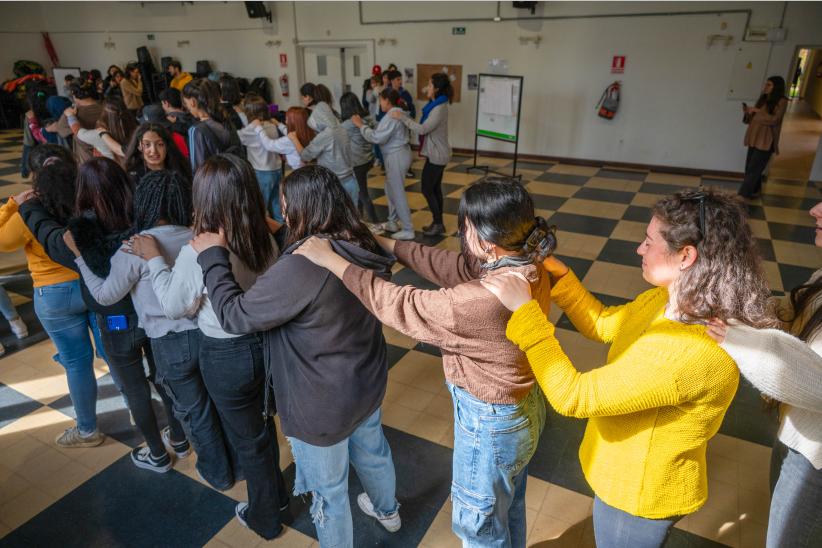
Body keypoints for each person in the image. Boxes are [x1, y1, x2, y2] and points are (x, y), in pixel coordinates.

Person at [482, 188, 775, 548]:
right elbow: (604, 324)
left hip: (640, 494)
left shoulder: (687, 350)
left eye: (649, 242)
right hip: (630, 475)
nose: (640, 249)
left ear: (685, 255)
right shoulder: (671, 299)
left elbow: (573, 396)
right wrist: (560, 278)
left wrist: (525, 311)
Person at [296, 176, 554, 547]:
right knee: (506, 508)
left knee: (478, 527)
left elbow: (399, 304)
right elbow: (451, 264)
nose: (460, 235)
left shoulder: (475, 303)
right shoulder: (525, 262)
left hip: (490, 426)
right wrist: (384, 243)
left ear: (486, 241)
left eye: (464, 227)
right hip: (523, 412)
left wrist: (331, 260)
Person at [195, 165, 401, 546]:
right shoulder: (364, 243)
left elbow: (235, 315)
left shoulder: (300, 268)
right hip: (366, 380)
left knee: (330, 493)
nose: (284, 214)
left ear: (300, 211)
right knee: (373, 451)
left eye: (287, 208)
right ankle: (387, 511)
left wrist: (211, 257)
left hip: (321, 403)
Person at [127, 154, 287, 540]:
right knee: (262, 427)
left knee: (249, 438)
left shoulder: (197, 251)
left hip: (225, 354)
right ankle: (277, 496)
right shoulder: (263, 235)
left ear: (204, 198)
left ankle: (265, 517)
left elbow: (174, 305)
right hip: (265, 345)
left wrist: (154, 262)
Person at [65, 167, 236, 489]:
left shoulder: (136, 247)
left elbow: (104, 296)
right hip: (208, 333)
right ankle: (232, 463)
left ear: (143, 201)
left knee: (193, 410)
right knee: (216, 403)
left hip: (169, 344)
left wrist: (79, 257)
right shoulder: (197, 236)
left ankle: (217, 473)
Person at [18, 157, 189, 472]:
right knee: (162, 377)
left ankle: (157, 455)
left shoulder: (80, 233)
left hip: (114, 322)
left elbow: (48, 237)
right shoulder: (143, 220)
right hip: (150, 315)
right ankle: (179, 437)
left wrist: (30, 207)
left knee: (134, 386)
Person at [705, 200, 822, 548]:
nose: (814, 209)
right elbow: (791, 313)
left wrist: (736, 337)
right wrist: (735, 305)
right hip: (796, 438)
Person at [0, 147, 108, 444]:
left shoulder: (30, 210)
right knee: (114, 356)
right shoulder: (88, 197)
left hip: (53, 295)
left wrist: (12, 204)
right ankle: (145, 415)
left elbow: (3, 242)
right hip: (95, 287)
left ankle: (87, 430)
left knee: (76, 364)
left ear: (36, 176)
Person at [392, 72, 452, 236]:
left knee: (427, 189)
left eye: (430, 85)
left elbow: (423, 128)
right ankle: (438, 223)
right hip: (437, 153)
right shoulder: (436, 104)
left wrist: (402, 118)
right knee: (435, 188)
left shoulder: (439, 108)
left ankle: (438, 223)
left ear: (437, 88)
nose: (427, 87)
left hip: (437, 155)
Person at [352, 88, 414, 240]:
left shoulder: (393, 116)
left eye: (381, 100)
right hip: (396, 155)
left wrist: (361, 126)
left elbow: (377, 138)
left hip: (396, 156)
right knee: (390, 189)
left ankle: (408, 229)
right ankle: (392, 222)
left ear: (387, 100)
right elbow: (382, 129)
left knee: (397, 192)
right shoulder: (393, 113)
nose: (380, 103)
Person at [289, 92, 359, 205]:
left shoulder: (326, 135)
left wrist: (294, 139)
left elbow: (305, 156)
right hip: (351, 180)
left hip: (335, 184)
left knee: (336, 219)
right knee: (352, 217)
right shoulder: (341, 128)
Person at [739, 76, 788, 199]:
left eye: (769, 85)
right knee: (750, 167)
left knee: (753, 169)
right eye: (765, 84)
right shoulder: (763, 99)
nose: (765, 87)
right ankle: (755, 190)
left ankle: (741, 196)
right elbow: (752, 120)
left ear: (776, 87)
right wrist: (748, 112)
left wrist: (757, 111)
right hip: (755, 137)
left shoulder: (782, 101)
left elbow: (774, 120)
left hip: (766, 140)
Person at [183, 79, 241, 171]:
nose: (187, 108)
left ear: (192, 102)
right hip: (234, 179)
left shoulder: (196, 130)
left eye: (186, 103)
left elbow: (198, 168)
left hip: (213, 183)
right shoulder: (227, 121)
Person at [241, 95, 283, 222]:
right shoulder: (271, 125)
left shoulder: (252, 129)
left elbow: (238, 136)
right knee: (276, 206)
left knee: (260, 207)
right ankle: (282, 235)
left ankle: (264, 237)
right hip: (276, 168)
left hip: (262, 171)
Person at [340, 92, 379, 224]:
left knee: (363, 194)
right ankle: (360, 219)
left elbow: (334, 130)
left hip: (357, 162)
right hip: (368, 159)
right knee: (359, 192)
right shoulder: (366, 118)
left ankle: (375, 222)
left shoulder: (348, 123)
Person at [124, 122, 192, 183]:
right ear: (139, 147)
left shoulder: (180, 170)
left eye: (160, 144)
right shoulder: (134, 177)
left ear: (167, 146)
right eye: (147, 145)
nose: (154, 150)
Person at [251, 106, 313, 171]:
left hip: (299, 171)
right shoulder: (307, 132)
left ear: (293, 122)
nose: (285, 121)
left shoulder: (289, 140)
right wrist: (278, 124)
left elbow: (269, 145)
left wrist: (259, 128)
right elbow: (289, 132)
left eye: (287, 119)